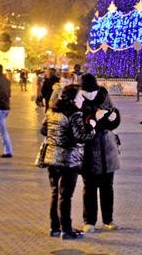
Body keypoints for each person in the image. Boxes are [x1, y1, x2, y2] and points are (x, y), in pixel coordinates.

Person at [41, 84, 97, 240]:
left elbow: (44, 130)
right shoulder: (74, 114)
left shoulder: (52, 110)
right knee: (65, 196)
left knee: (54, 193)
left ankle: (55, 228)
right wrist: (92, 127)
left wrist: (56, 137)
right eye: (80, 96)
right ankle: (66, 230)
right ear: (73, 98)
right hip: (68, 160)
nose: (82, 99)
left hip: (52, 157)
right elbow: (81, 136)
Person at [79, 74, 121, 233]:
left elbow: (113, 121)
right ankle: (89, 221)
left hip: (107, 149)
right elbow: (78, 124)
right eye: (86, 91)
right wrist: (93, 117)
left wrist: (114, 117)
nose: (89, 94)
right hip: (88, 151)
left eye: (92, 91)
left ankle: (108, 219)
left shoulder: (104, 96)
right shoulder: (78, 100)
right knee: (89, 188)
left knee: (107, 188)